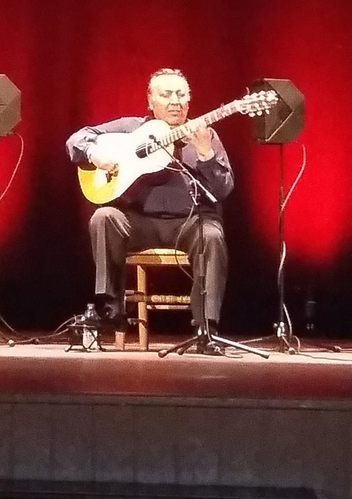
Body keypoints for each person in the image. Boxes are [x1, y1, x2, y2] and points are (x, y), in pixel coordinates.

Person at [65, 68, 234, 349]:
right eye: (165, 94)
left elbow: (223, 190)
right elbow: (76, 139)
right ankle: (112, 311)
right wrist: (95, 155)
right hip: (139, 222)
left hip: (189, 223)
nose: (174, 101)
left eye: (181, 94)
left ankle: (206, 328)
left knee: (213, 236)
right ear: (150, 101)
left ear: (189, 101)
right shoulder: (132, 128)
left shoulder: (206, 135)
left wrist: (205, 154)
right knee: (104, 217)